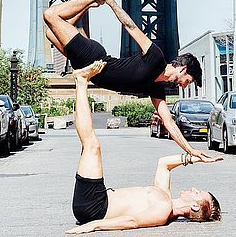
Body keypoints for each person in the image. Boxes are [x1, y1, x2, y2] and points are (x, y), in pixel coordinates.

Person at [43, 0, 220, 162]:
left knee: (51, 33)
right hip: (93, 58)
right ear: (183, 69)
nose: (184, 86)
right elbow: (131, 27)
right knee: (49, 15)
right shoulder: (155, 57)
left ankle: (92, 1)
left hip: (85, 69)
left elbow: (169, 123)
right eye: (187, 81)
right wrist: (110, 1)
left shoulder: (157, 89)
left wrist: (191, 150)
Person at [67, 61, 222, 234]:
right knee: (88, 147)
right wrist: (195, 157)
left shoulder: (164, 211)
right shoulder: (165, 197)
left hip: (94, 207)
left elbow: (132, 221)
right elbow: (164, 164)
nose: (194, 188)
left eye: (198, 193)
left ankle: (81, 82)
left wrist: (94, 225)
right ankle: (81, 82)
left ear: (194, 206)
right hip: (98, 197)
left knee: (92, 146)